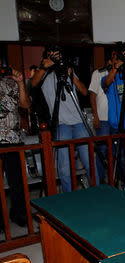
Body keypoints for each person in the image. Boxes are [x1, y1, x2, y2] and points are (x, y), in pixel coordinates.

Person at [31, 46, 98, 193]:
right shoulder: (45, 76)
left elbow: (84, 91)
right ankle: (69, 196)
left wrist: (71, 75)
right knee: (65, 166)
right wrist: (44, 66)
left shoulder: (69, 72)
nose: (55, 59)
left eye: (57, 55)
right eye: (51, 56)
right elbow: (33, 83)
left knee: (89, 161)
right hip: (61, 125)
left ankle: (98, 190)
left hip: (79, 122)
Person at [0, 62, 31, 227]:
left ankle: (19, 214)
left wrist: (20, 81)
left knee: (17, 181)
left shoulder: (11, 82)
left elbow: (26, 105)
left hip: (13, 139)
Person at [88, 56, 111, 182]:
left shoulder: (119, 73)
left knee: (117, 151)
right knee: (101, 151)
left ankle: (115, 179)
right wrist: (95, 116)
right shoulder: (98, 73)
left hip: (116, 120)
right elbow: (92, 96)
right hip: (102, 119)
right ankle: (101, 180)